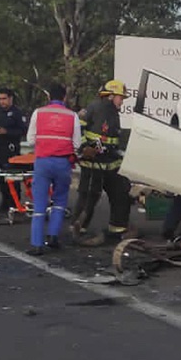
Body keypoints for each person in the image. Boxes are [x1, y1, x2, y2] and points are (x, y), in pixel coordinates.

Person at [72, 80, 134, 245]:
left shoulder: (112, 111)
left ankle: (117, 229)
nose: (122, 101)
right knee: (89, 196)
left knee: (121, 191)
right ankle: (78, 229)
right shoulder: (95, 107)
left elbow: (112, 139)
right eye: (121, 97)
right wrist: (85, 147)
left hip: (110, 163)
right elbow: (78, 127)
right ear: (111, 96)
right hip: (94, 163)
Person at [25, 83, 81, 255]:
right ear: (64, 97)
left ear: (49, 97)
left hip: (43, 162)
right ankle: (53, 237)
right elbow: (77, 144)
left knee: (40, 202)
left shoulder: (38, 113)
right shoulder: (73, 116)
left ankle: (36, 243)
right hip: (63, 163)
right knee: (60, 200)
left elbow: (30, 140)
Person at [0, 88, 26, 215]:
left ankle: (14, 204)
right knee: (1, 178)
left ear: (10, 98)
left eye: (4, 99)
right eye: (0, 99)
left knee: (12, 179)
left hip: (11, 149)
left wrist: (7, 132)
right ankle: (4, 205)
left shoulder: (17, 113)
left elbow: (23, 131)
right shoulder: (0, 112)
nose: (2, 102)